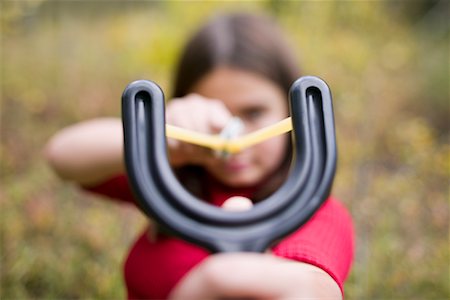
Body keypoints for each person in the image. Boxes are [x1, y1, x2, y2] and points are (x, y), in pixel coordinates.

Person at [45, 12, 354, 300]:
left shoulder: (314, 210)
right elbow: (63, 156)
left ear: (294, 111)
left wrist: (221, 277)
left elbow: (312, 288)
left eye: (254, 112)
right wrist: (165, 140)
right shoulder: (170, 182)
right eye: (214, 111)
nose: (233, 136)